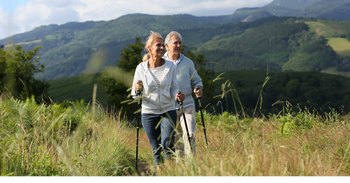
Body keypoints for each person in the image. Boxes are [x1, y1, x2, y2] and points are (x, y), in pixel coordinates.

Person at [132, 31, 185, 166]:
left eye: (162, 45)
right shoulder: (141, 68)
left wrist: (178, 94)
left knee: (167, 145)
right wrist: (138, 90)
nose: (162, 48)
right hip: (149, 112)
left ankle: (172, 174)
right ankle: (161, 173)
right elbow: (134, 93)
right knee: (157, 149)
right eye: (158, 45)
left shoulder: (170, 66)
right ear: (149, 48)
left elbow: (174, 87)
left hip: (168, 110)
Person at [163, 31, 203, 157]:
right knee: (176, 141)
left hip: (187, 105)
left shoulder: (188, 62)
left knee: (189, 135)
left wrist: (198, 87)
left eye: (180, 43)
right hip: (169, 108)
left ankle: (192, 167)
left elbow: (196, 80)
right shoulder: (160, 62)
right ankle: (180, 170)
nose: (179, 45)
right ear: (167, 45)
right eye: (176, 43)